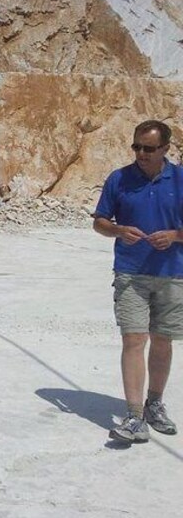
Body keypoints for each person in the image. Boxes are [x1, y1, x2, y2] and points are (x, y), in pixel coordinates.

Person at [94, 119, 182, 443]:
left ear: (165, 149)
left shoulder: (182, 179)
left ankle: (155, 404)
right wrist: (118, 230)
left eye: (148, 148)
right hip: (130, 272)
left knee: (162, 341)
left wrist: (174, 235)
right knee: (134, 340)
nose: (141, 154)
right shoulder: (119, 179)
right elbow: (100, 222)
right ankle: (134, 417)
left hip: (172, 274)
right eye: (136, 147)